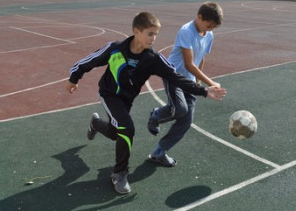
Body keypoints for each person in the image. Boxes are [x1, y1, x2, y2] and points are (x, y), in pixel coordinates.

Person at [65, 11, 226, 195]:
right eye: (150, 34)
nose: (154, 38)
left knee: (114, 132)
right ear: (136, 31)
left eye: (156, 34)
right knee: (126, 128)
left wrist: (204, 90)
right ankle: (119, 173)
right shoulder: (115, 49)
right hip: (108, 94)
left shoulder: (153, 59)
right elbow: (89, 61)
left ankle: (95, 123)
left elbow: (176, 77)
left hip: (126, 100)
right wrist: (73, 78)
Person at [147, 2, 223, 167]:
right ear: (200, 17)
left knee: (186, 121)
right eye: (208, 25)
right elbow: (189, 64)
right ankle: (156, 115)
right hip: (173, 75)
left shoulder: (209, 35)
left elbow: (201, 57)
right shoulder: (186, 31)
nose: (210, 29)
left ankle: (159, 152)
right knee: (180, 109)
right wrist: (211, 83)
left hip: (190, 81)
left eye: (213, 28)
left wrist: (198, 82)